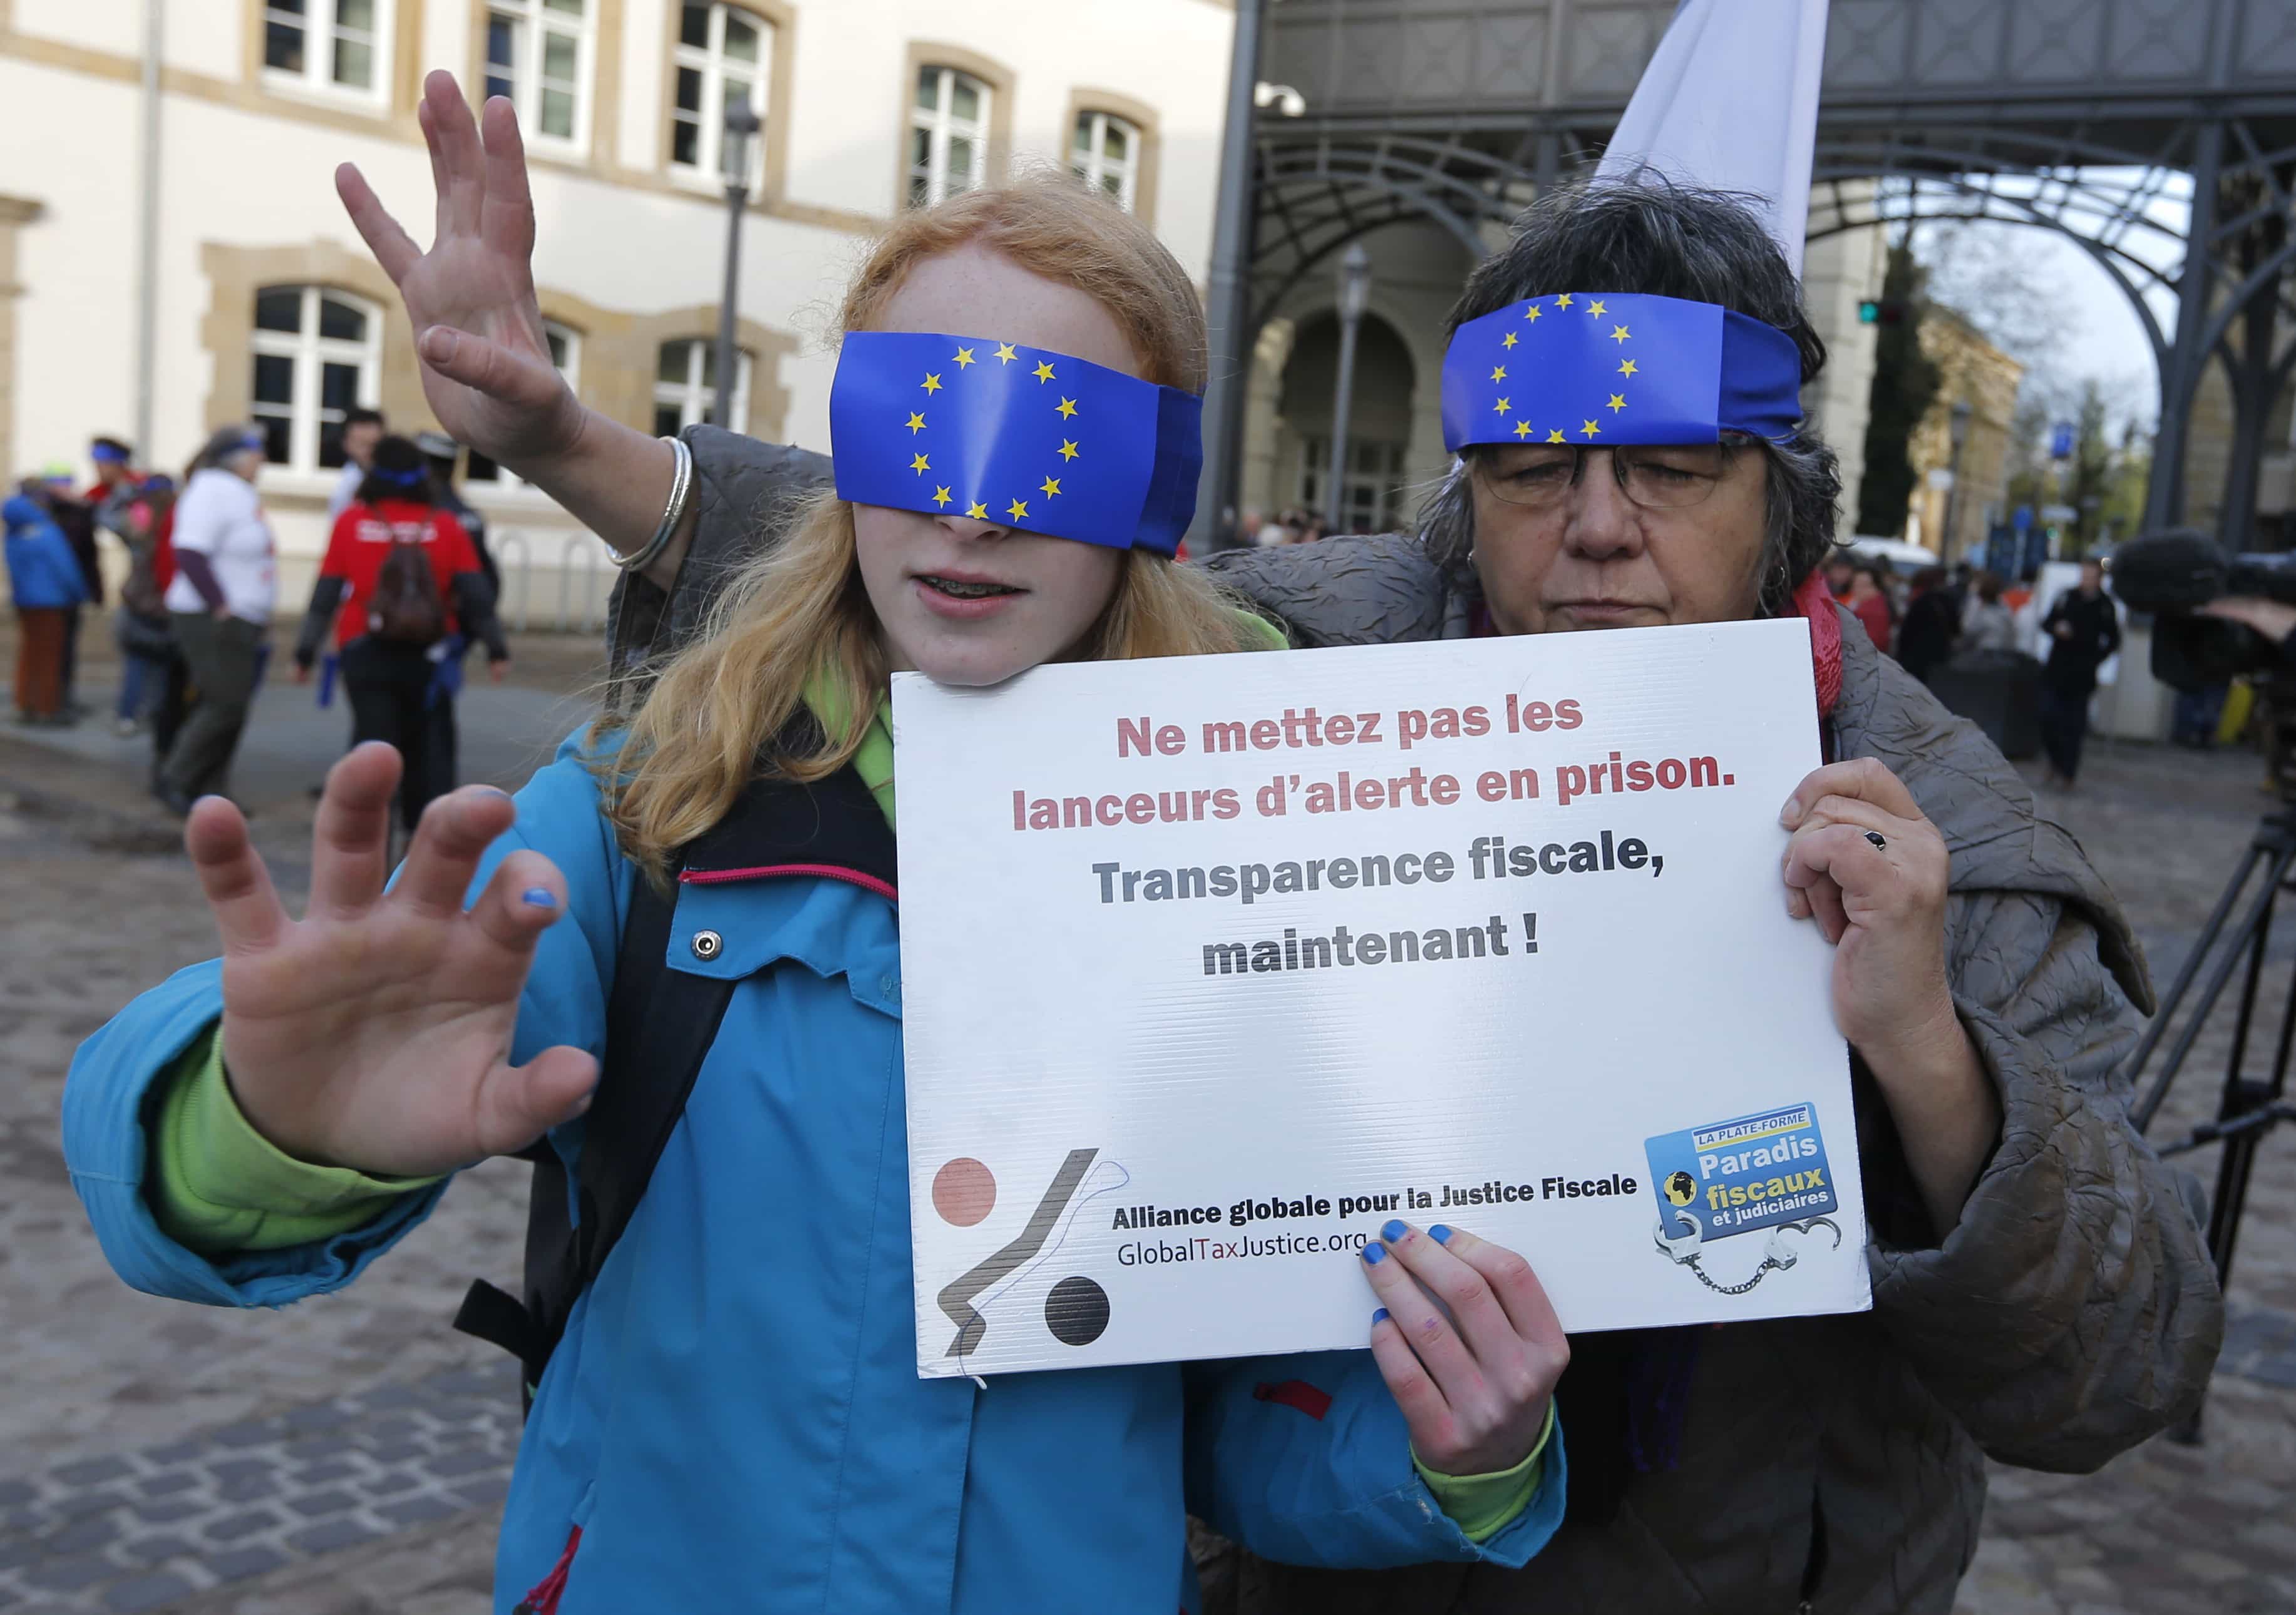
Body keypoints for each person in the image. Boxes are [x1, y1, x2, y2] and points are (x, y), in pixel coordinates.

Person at [478, 160, 2220, 1611]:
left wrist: (1924, 1059)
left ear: (1789, 501)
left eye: (1672, 470)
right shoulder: (1314, 657)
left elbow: (2120, 1366)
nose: (1596, 526)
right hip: (1322, 1563)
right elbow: (1004, 513)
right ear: (1468, 485)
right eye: (1533, 472)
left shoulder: (1947, 832)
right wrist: (578, 445)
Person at [66, 81, 1572, 1614]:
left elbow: (1254, 1424)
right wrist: (267, 1124)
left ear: (1153, 482)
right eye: (916, 425)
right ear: (844, 446)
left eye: (1055, 442)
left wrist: (1459, 1440)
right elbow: (194, 1181)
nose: (970, 511)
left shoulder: (1265, 851)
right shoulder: (646, 806)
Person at [293, 434, 509, 831]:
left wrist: (304, 652)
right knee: (428, 751)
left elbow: (325, 594)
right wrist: (497, 649)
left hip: (362, 650)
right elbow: (476, 595)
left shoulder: (353, 522)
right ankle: (419, 848)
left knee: (372, 746)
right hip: (428, 656)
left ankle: (365, 839)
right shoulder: (445, 526)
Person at [156, 426, 277, 814]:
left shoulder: (236, 492)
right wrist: (219, 604)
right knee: (224, 703)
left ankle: (212, 792)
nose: (262, 459)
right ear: (236, 456)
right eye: (256, 451)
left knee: (232, 705)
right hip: (211, 616)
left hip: (240, 616)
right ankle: (177, 778)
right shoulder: (210, 490)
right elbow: (190, 552)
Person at [6, 483, 88, 724]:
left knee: (30, 654)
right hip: (52, 603)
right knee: (51, 657)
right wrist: (80, 592)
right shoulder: (47, 530)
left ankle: (26, 703)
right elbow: (66, 568)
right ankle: (47, 708)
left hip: (26, 602)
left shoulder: (14, 533)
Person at [2036, 559, 2121, 789]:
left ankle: (2068, 771)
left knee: (2073, 726)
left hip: (2082, 675)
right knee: (2048, 718)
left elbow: (2113, 639)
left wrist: (2094, 659)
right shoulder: (2067, 597)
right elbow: (2046, 623)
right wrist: (2056, 629)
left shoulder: (2105, 605)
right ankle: (2054, 762)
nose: (2086, 580)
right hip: (2057, 669)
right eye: (2084, 575)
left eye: (2090, 576)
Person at [1895, 565, 1960, 685]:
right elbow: (1956, 629)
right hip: (1939, 656)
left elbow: (1907, 631)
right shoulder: (1948, 600)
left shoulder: (1919, 601)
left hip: (1915, 657)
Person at [327, 407, 388, 523]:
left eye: (373, 445)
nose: (368, 452)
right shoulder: (345, 486)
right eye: (361, 445)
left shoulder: (394, 477)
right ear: (346, 445)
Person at [1841, 557, 1894, 654]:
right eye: (1855, 585)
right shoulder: (1854, 605)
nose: (1858, 590)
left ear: (1877, 588)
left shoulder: (1872, 612)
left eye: (1864, 586)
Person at [1959, 570, 2017, 653]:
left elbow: (1968, 630)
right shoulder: (2005, 607)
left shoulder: (1977, 607)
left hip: (1983, 654)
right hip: (2001, 653)